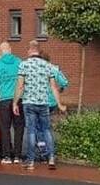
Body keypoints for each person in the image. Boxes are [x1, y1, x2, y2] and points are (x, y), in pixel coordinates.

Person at [13, 41, 66, 171]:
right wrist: (59, 104)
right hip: (44, 103)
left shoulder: (24, 65)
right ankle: (51, 158)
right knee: (47, 130)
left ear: (30, 50)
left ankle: (30, 161)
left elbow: (20, 86)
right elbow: (53, 87)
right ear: (38, 50)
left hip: (29, 102)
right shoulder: (48, 66)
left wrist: (15, 102)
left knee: (31, 131)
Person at [0, 41, 24, 165]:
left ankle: (7, 156)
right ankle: (18, 156)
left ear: (1, 51)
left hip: (3, 99)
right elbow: (24, 79)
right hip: (18, 99)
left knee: (5, 128)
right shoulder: (19, 62)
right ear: (10, 49)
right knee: (19, 127)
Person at [37, 52, 69, 161]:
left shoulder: (37, 69)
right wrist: (60, 90)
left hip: (40, 102)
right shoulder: (54, 69)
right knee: (46, 126)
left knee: (40, 128)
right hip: (52, 102)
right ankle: (49, 150)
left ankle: (44, 151)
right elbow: (64, 82)